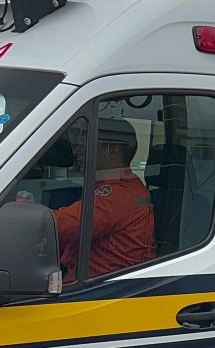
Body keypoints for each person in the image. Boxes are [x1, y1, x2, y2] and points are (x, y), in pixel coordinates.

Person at [54, 117, 155, 282]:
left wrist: (24, 208)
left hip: (100, 287)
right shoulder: (128, 186)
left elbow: (62, 225)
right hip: (97, 283)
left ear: (113, 152)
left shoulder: (118, 194)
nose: (77, 151)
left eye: (85, 144)